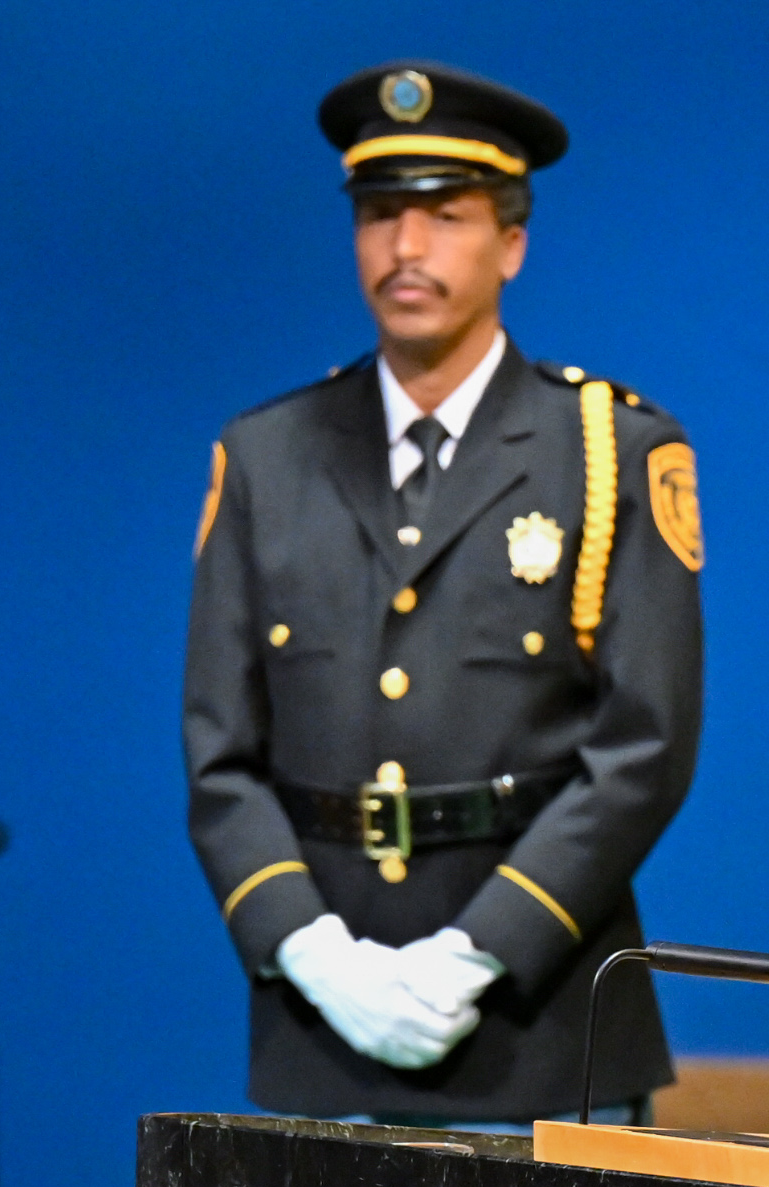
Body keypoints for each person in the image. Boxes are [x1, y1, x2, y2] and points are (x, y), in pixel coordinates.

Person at [183, 62, 704, 1127]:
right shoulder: (267, 455)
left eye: (444, 216)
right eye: (379, 215)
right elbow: (220, 755)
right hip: (321, 1026)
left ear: (510, 242)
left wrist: (477, 955)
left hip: (542, 1018)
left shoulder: (608, 451)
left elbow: (642, 748)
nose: (405, 248)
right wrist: (315, 956)